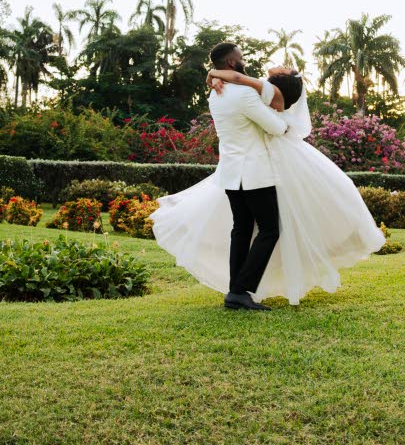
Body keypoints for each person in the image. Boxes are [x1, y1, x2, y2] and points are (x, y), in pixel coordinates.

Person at [149, 42, 387, 310]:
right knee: (269, 229)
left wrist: (214, 77)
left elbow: (242, 91)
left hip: (229, 173)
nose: (243, 60)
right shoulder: (245, 94)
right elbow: (274, 127)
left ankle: (235, 290)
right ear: (230, 63)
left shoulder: (216, 93)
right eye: (239, 58)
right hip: (254, 173)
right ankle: (240, 290)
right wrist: (285, 124)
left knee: (240, 230)